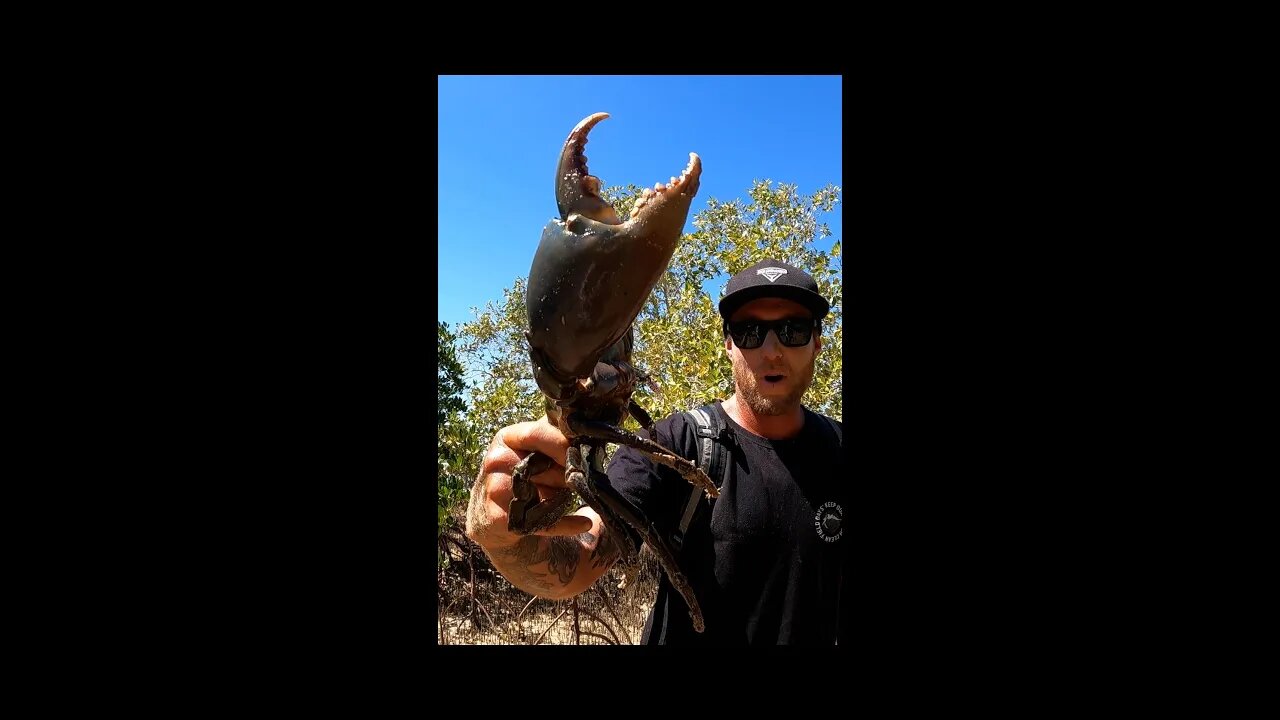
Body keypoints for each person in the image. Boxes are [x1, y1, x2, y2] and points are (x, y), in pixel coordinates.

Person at [465, 258, 845, 645]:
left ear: (817, 340)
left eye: (792, 329)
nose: (772, 350)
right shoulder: (676, 443)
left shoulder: (839, 451)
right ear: (728, 343)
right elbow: (580, 556)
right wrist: (503, 535)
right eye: (749, 331)